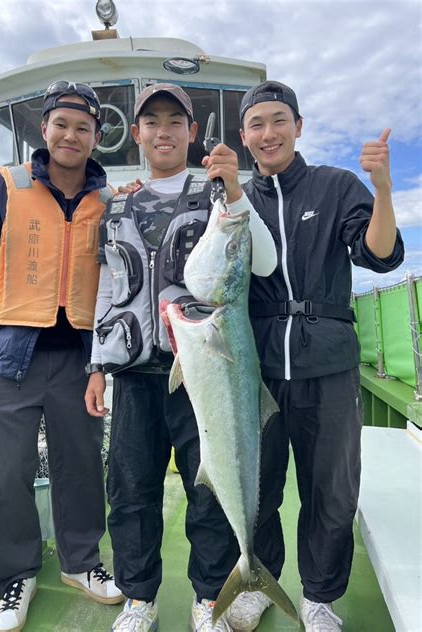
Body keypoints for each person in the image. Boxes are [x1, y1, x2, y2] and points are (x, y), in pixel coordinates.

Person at [205, 80, 404, 632]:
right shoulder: (236, 199)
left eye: (278, 121)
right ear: (244, 137)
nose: (268, 134)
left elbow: (380, 255)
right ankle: (256, 582)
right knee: (258, 487)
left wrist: (382, 188)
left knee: (332, 493)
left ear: (298, 126)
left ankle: (319, 597)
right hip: (259, 371)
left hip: (329, 366)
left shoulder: (336, 186)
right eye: (256, 125)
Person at [84, 83, 277, 632]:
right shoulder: (117, 202)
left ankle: (209, 596)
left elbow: (258, 263)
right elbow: (108, 287)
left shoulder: (217, 192)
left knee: (209, 489)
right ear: (137, 134)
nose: (163, 131)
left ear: (192, 133)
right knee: (130, 491)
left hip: (203, 371)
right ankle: (139, 599)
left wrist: (235, 188)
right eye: (152, 122)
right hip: (135, 373)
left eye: (175, 122)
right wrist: (98, 364)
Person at [0, 81, 124, 632]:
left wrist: (103, 361)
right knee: (0, 471)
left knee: (80, 465)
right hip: (6, 354)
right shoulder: (2, 187)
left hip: (79, 358)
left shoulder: (109, 200)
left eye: (84, 127)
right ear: (43, 130)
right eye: (62, 125)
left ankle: (81, 562)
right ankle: (16, 576)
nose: (71, 135)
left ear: (97, 137)